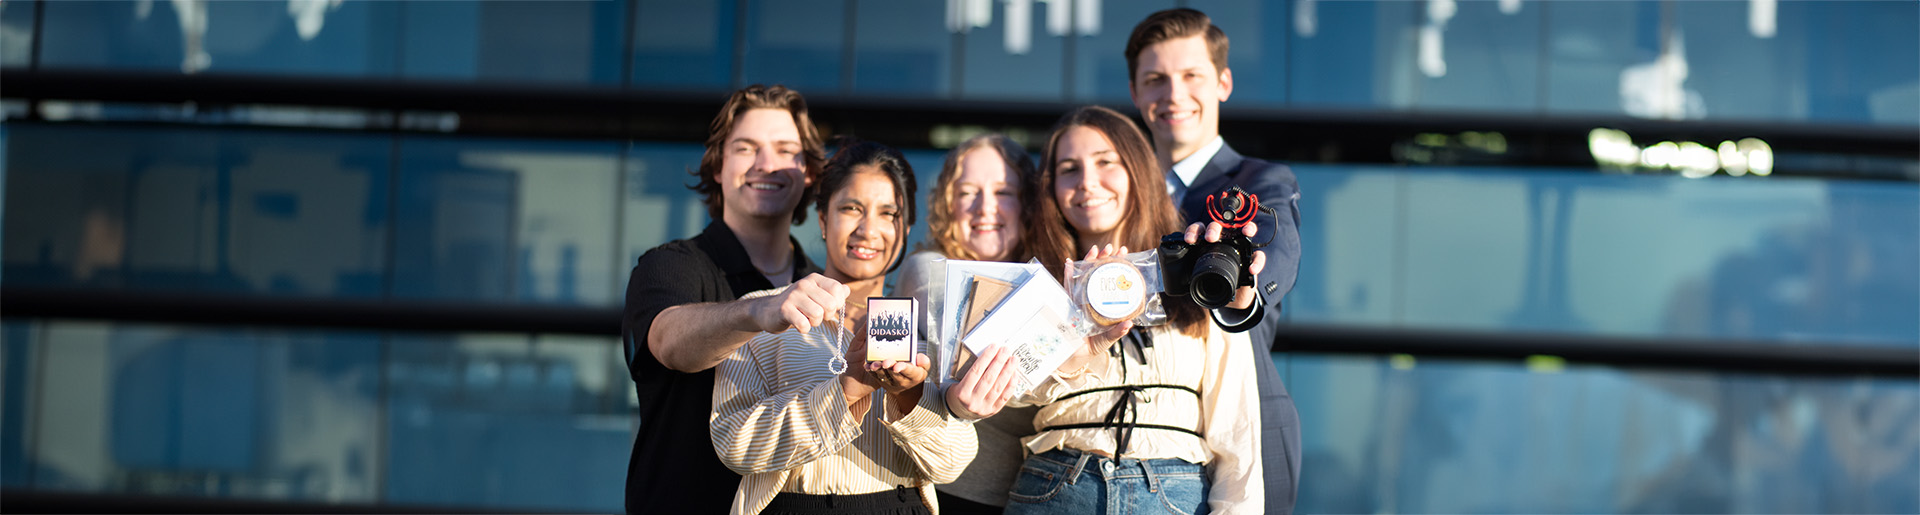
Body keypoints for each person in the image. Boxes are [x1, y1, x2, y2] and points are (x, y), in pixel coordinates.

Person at [1004, 105, 1264, 515]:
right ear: (1051, 187)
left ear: (1138, 170)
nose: (1088, 182)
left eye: (1106, 162)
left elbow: (1237, 423)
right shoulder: (1036, 280)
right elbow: (1013, 390)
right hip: (1057, 482)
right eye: (1069, 169)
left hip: (1173, 491)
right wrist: (1073, 329)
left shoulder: (1197, 266)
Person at [621, 85, 854, 514]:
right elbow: (671, 343)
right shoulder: (670, 266)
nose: (767, 165)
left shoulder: (820, 287)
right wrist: (758, 308)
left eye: (786, 150)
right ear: (718, 166)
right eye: (747, 148)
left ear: (808, 172)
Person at [710, 140, 977, 515]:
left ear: (906, 228)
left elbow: (952, 464)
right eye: (851, 208)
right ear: (822, 219)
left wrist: (912, 396)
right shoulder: (764, 313)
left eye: (888, 214)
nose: (868, 230)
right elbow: (733, 443)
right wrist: (847, 390)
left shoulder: (930, 324)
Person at [1126, 8, 1305, 513]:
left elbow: (1274, 250)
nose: (1174, 95)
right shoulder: (1117, 194)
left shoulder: (1262, 183)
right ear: (1137, 94)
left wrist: (1241, 285)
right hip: (1132, 444)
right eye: (1155, 80)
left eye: (1191, 76)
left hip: (1241, 429)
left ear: (1223, 82)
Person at [893, 133, 1045, 514]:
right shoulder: (927, 268)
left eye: (1003, 192)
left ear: (1027, 204)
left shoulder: (1043, 275)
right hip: (947, 496)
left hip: (1031, 496)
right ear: (947, 203)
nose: (984, 208)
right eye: (967, 193)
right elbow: (958, 322)